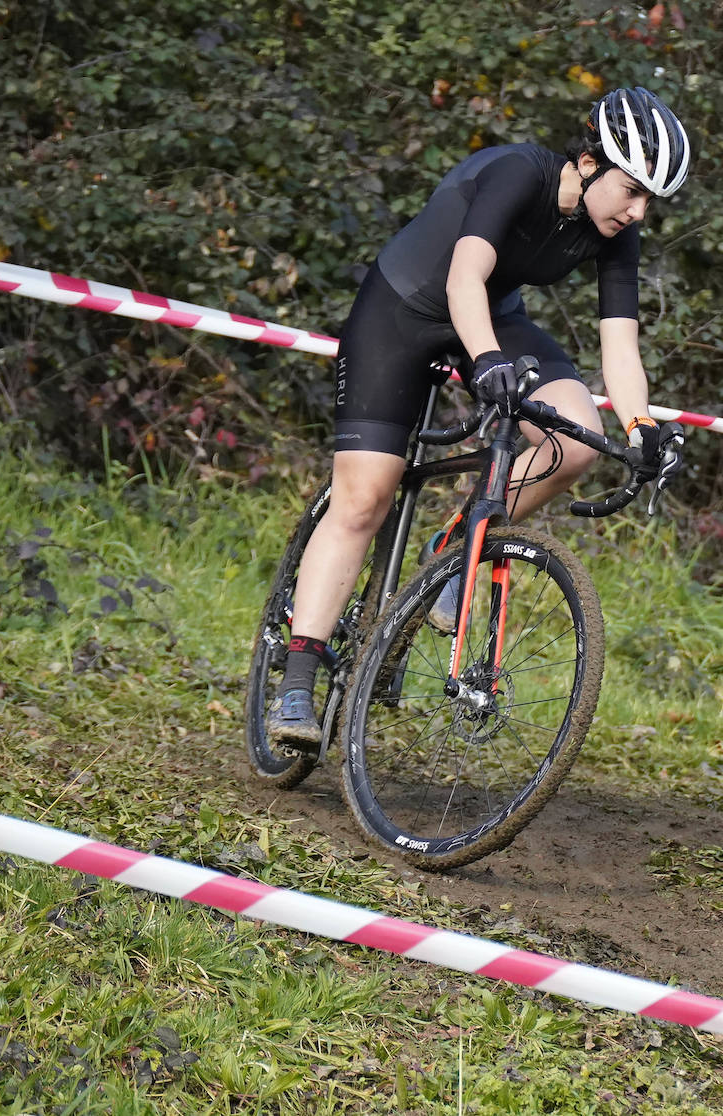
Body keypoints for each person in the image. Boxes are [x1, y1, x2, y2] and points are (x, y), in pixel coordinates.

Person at [267, 86, 692, 752]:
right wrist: (487, 360)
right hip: (403, 315)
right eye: (634, 190)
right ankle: (297, 679)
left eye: (651, 202)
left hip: (492, 321)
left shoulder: (616, 232)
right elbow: (466, 276)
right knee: (363, 497)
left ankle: (453, 546)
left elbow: (620, 343)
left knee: (576, 442)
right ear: (590, 163)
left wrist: (643, 430)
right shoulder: (517, 174)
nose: (640, 212)